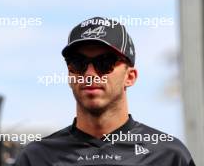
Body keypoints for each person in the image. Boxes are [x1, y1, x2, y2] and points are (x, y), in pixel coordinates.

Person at [16, 17, 195, 166]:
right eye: (78, 63)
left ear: (130, 77)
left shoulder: (168, 156)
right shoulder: (36, 157)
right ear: (70, 74)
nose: (90, 74)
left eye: (105, 62)